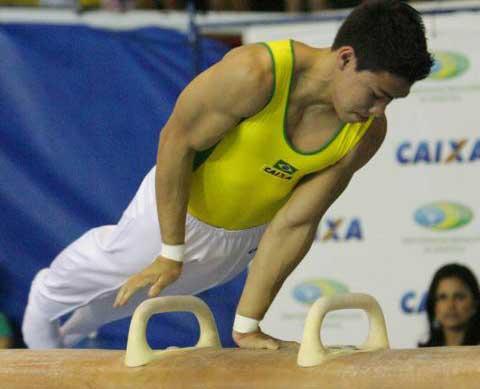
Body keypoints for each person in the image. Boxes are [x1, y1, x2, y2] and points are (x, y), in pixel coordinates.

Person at [22, 0, 433, 350]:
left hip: (242, 241)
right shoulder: (256, 74)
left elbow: (297, 220)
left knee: (135, 299)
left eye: (391, 101)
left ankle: (75, 334)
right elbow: (176, 142)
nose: (379, 111)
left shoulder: (366, 132)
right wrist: (171, 249)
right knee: (121, 261)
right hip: (177, 210)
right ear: (345, 58)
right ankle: (45, 295)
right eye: (377, 94)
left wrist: (247, 325)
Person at [419, 263, 480, 347]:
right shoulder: (422, 355)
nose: (450, 305)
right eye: (442, 297)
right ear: (434, 305)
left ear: (475, 304)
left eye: (459, 297)